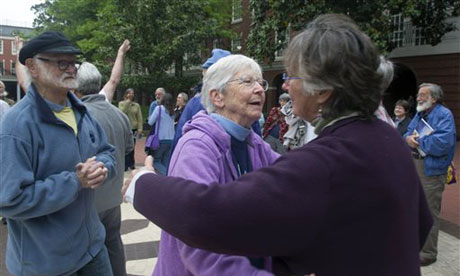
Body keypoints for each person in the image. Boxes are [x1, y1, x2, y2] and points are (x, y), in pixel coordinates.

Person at [124, 14, 433, 276]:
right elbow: (421, 224)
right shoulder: (387, 138)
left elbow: (207, 216)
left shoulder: (325, 161)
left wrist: (143, 183)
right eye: (248, 81)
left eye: (290, 76)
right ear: (216, 96)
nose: (280, 86)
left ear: (322, 90)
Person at [150, 54, 278, 276]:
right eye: (248, 82)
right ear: (217, 97)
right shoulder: (197, 147)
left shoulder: (252, 142)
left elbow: (294, 176)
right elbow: (198, 241)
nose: (259, 89)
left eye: (260, 82)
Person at [0, 31, 116, 276]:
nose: (71, 69)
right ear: (32, 66)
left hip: (93, 249)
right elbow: (9, 200)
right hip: (45, 264)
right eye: (61, 62)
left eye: (73, 62)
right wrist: (75, 182)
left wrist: (102, 168)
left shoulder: (82, 112)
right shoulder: (16, 126)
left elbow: (107, 152)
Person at [75, 62, 134, 276]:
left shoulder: (78, 116)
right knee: (114, 243)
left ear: (76, 88)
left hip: (89, 199)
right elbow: (129, 149)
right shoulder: (119, 115)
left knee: (90, 252)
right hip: (113, 196)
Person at [404, 83, 456, 266]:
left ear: (434, 98)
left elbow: (444, 142)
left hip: (431, 169)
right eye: (418, 95)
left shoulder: (444, 114)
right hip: (415, 165)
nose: (418, 98)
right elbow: (408, 133)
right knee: (415, 207)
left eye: (422, 95)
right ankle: (417, 245)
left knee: (429, 210)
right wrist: (408, 139)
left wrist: (418, 142)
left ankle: (428, 252)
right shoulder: (420, 114)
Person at [147, 93, 175, 175]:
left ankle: (167, 175)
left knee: (156, 161)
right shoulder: (172, 111)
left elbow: (150, 122)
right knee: (165, 161)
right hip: (171, 139)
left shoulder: (158, 109)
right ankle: (166, 179)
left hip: (161, 139)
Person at [119, 88, 143, 170]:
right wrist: (127, 103)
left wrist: (140, 128)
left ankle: (131, 164)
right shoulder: (121, 104)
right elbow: (121, 112)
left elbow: (139, 117)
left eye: (132, 93)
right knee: (125, 146)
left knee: (132, 146)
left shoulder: (136, 105)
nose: (131, 95)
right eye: (129, 93)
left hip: (133, 128)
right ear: (126, 95)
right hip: (125, 128)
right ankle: (125, 164)